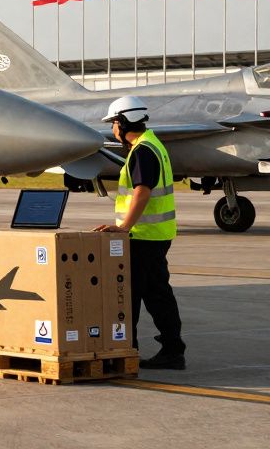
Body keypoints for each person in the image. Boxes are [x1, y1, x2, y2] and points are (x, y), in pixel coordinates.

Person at [93, 95, 186, 369]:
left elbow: (142, 192)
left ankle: (138, 350)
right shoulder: (153, 145)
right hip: (154, 234)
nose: (112, 129)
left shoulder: (143, 150)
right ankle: (166, 348)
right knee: (155, 293)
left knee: (136, 295)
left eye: (113, 123)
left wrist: (123, 227)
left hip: (144, 236)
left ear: (123, 122)